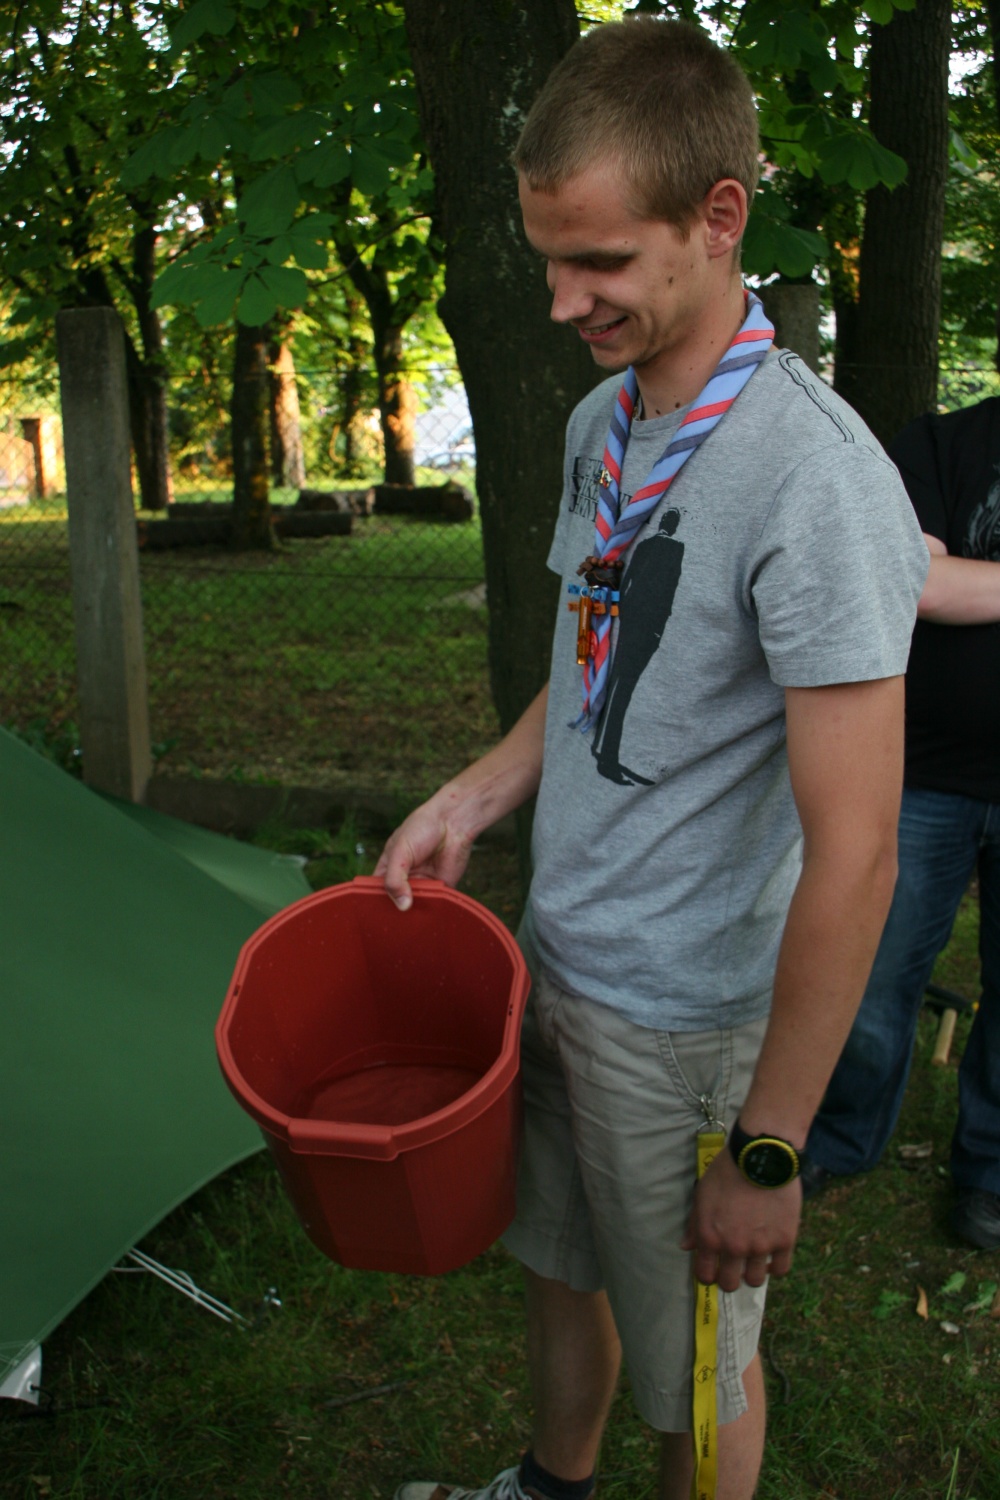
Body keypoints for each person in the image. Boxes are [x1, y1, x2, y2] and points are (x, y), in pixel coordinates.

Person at [377, 18, 927, 1500]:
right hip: (559, 958)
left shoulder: (817, 480)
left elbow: (860, 852)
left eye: (601, 263)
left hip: (689, 1029)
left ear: (718, 216)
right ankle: (549, 1486)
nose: (563, 301)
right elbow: (588, 671)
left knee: (699, 1372)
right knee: (563, 1275)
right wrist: (474, 796)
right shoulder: (601, 423)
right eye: (548, 260)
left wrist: (769, 1150)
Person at [803, 325, 1000, 1249]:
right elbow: (911, 576)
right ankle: (839, 1138)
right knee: (872, 974)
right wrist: (944, 577)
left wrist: (976, 579)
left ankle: (989, 1174)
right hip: (922, 771)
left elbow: (954, 578)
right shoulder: (939, 443)